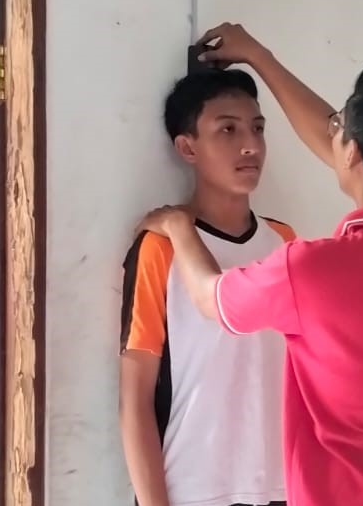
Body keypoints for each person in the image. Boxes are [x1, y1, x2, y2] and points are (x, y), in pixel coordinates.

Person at [137, 23, 363, 506]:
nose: (249, 144)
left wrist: (177, 225)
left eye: (340, 125)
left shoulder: (308, 268)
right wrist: (259, 56)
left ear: (352, 153)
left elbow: (212, 298)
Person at [119, 69, 293, 506]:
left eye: (257, 129)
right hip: (192, 491)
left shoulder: (285, 242)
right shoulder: (160, 248)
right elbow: (135, 401)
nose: (250, 145)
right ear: (187, 148)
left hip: (282, 486)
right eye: (228, 130)